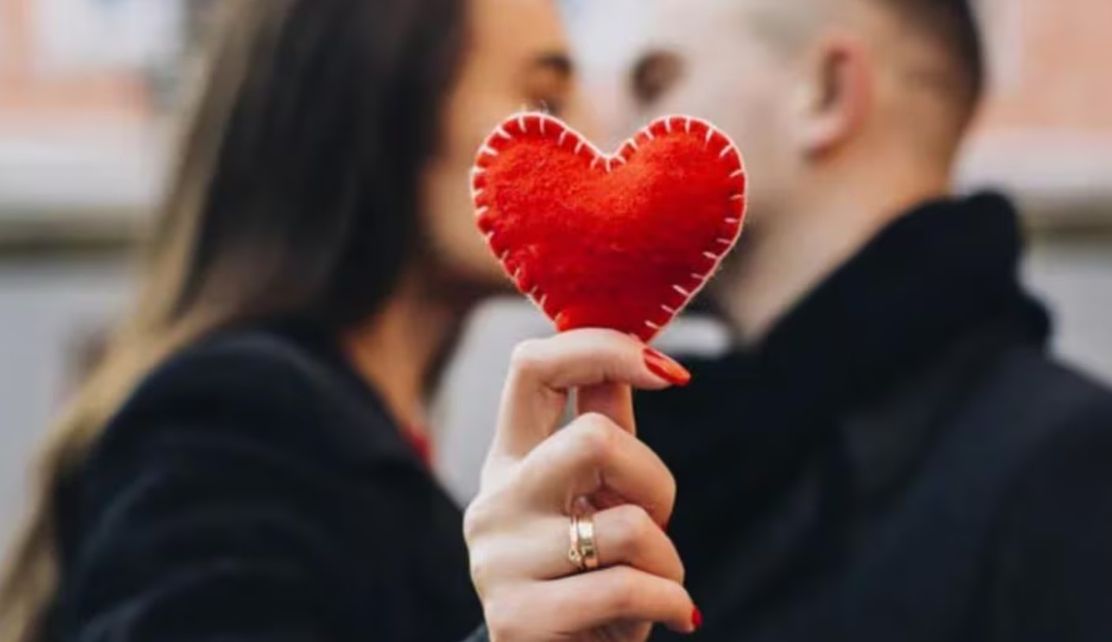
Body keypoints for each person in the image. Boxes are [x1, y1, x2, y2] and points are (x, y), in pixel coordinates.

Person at [0, 1, 701, 641]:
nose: (594, 135)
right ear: (378, 111)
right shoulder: (231, 426)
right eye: (541, 96)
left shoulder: (362, 440)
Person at [602, 0, 1112, 640]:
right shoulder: (686, 462)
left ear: (825, 93)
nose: (615, 141)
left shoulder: (1082, 477)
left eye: (657, 83)